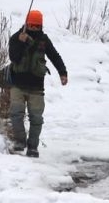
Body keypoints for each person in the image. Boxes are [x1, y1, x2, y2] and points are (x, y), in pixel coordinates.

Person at [8, 10, 68, 158]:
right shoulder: (16, 38)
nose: (34, 29)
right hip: (17, 85)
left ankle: (33, 147)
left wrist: (63, 72)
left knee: (36, 118)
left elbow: (54, 56)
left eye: (37, 26)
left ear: (41, 26)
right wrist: (21, 43)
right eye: (31, 25)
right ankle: (20, 143)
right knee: (16, 114)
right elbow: (14, 58)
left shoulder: (44, 40)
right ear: (26, 24)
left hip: (36, 86)